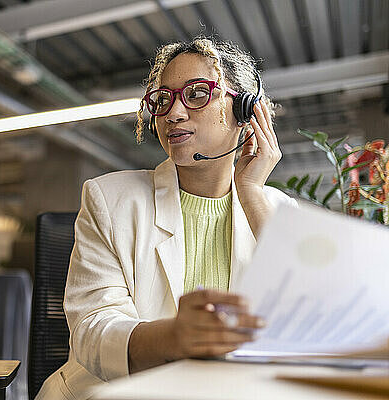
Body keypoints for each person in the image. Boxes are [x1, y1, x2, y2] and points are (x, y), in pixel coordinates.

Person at [35, 37, 296, 400]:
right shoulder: (109, 199)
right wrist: (173, 337)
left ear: (246, 112)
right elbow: (92, 332)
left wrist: (251, 193)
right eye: (162, 99)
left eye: (197, 94)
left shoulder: (276, 211)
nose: (173, 113)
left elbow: (306, 325)